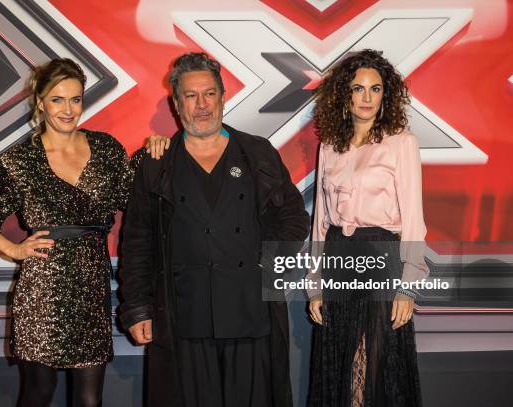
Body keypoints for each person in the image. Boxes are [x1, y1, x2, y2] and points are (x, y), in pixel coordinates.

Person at [0, 58, 167, 407]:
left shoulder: (106, 149)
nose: (68, 109)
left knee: (90, 400)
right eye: (58, 99)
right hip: (43, 289)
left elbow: (133, 192)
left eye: (75, 99)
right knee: (37, 394)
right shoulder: (20, 160)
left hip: (91, 286)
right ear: (41, 102)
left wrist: (154, 150)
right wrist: (10, 249)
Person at [118, 52, 311, 407]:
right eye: (191, 96)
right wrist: (138, 308)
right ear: (176, 104)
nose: (201, 105)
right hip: (183, 319)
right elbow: (137, 242)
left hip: (250, 313)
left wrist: (266, 267)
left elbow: (295, 218)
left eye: (209, 94)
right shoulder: (156, 163)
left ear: (223, 98)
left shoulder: (257, 153)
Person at [307, 49, 428, 407]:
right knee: (340, 367)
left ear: (385, 95)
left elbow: (414, 220)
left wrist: (408, 288)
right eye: (358, 88)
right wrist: (314, 285)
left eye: (375, 89)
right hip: (337, 262)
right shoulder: (330, 145)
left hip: (381, 258)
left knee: (373, 365)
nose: (366, 98)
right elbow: (320, 223)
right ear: (345, 94)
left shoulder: (401, 143)